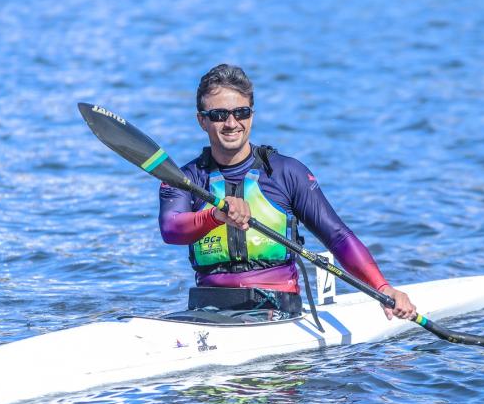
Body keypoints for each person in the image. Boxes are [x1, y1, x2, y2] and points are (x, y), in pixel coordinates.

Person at [158, 64, 417, 321]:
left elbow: (337, 237)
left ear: (252, 116)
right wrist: (215, 215)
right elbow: (171, 229)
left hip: (277, 310)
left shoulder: (286, 173)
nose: (231, 123)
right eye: (218, 115)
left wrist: (382, 287)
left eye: (241, 112)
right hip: (207, 310)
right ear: (202, 120)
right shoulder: (187, 178)